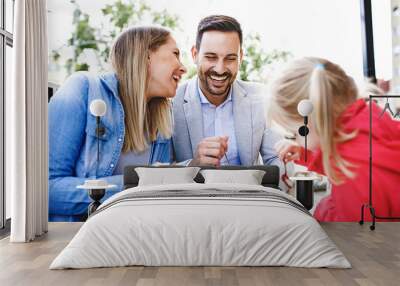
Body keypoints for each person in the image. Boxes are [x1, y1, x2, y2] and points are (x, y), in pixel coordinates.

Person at [49, 26, 186, 221]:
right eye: (175, 54)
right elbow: (45, 190)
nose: (183, 67)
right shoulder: (83, 89)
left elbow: (158, 191)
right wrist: (133, 185)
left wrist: (193, 166)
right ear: (146, 56)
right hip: (80, 237)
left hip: (134, 236)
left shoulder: (163, 117)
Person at [269, 57, 400, 222]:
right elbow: (356, 157)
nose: (296, 139)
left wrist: (324, 212)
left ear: (315, 120)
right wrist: (304, 154)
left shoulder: (352, 175)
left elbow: (359, 240)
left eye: (294, 133)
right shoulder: (370, 120)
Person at [172, 15, 283, 172]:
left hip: (247, 194)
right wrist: (193, 164)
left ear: (241, 57)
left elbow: (276, 158)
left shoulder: (261, 98)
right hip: (192, 196)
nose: (220, 69)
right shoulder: (171, 103)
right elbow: (158, 169)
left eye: (230, 59)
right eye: (211, 57)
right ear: (195, 54)